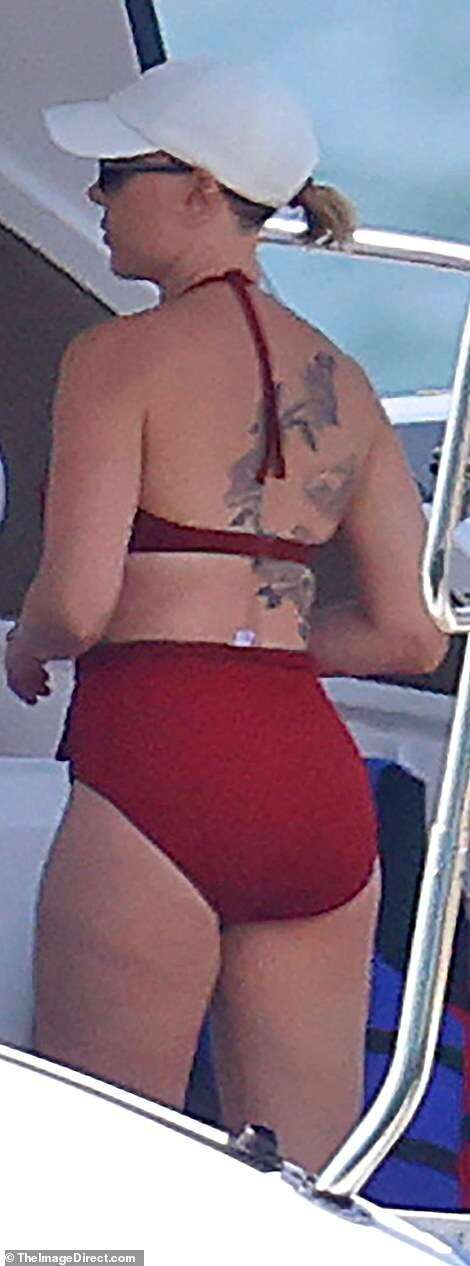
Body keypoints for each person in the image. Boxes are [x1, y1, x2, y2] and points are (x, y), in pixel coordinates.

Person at [5, 56, 447, 1172]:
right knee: (300, 1192)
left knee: (102, 1176)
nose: (98, 195)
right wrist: (268, 649)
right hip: (313, 788)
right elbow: (411, 634)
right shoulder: (348, 381)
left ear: (201, 189)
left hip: (158, 766)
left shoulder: (115, 356)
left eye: (117, 173)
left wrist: (32, 646)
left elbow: (76, 599)